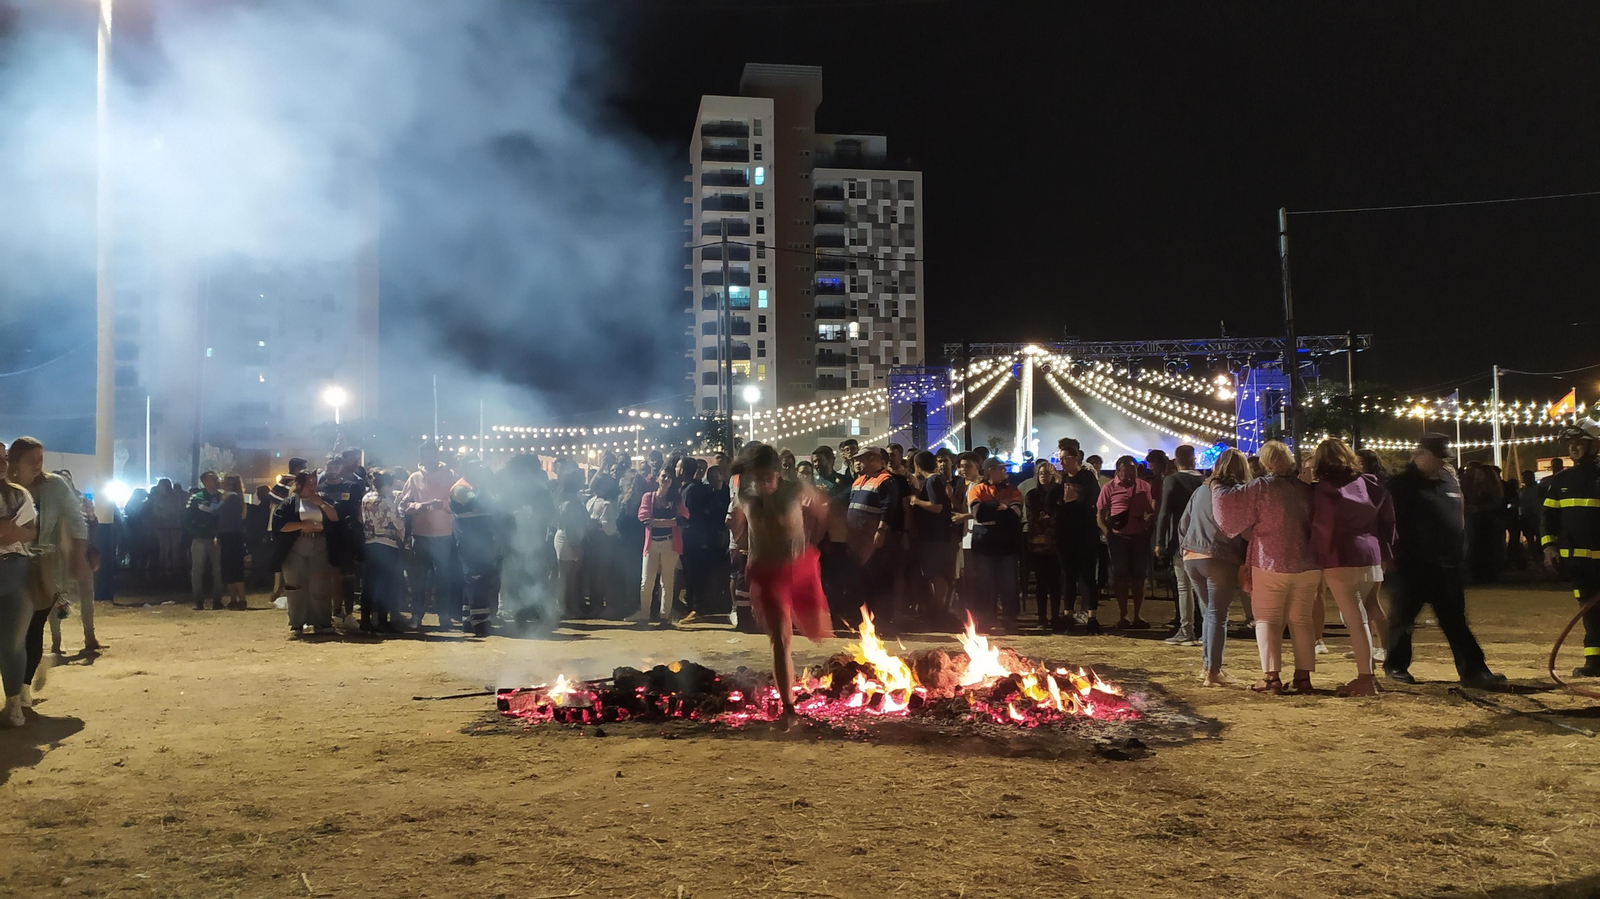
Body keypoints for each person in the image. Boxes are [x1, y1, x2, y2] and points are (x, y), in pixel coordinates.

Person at [1383, 435, 1506, 688]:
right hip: (1411, 564)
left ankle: (1474, 671)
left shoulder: (1446, 481)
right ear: (1421, 454)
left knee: (1455, 621)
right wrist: (1392, 557)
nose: (1441, 464)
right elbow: (1387, 522)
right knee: (1403, 620)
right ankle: (1396, 667)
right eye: (1437, 458)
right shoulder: (1399, 484)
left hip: (1446, 564)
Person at [728, 443, 832, 720]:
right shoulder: (744, 493)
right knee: (780, 639)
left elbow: (822, 508)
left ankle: (793, 696)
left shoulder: (794, 489)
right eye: (758, 478)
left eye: (768, 477)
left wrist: (810, 538)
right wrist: (738, 539)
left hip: (797, 567)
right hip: (765, 573)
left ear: (777, 473)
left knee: (819, 632)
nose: (764, 483)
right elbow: (737, 519)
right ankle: (788, 706)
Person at [1212, 440, 1319, 694]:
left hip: (1270, 561)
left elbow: (1228, 509)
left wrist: (1215, 484)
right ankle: (1303, 678)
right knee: (1302, 621)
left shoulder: (1261, 487)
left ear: (1265, 462)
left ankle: (1272, 679)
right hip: (1308, 563)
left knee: (1267, 620)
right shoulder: (1305, 489)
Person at [1310, 438, 1394, 696]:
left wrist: (1317, 555)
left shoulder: (1325, 489)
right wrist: (1386, 549)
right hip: (1371, 552)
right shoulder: (1370, 482)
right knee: (1365, 615)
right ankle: (1369, 673)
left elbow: (1323, 527)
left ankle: (1365, 677)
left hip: (1341, 556)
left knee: (1356, 620)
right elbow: (1388, 518)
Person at [9, 438, 94, 657]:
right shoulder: (6, 489)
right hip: (9, 565)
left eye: (40, 459)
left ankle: (24, 681)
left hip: (44, 564)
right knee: (16, 622)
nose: (37, 464)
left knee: (36, 621)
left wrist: (78, 553)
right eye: (31, 460)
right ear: (15, 461)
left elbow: (76, 520)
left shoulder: (55, 485)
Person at [1179, 448, 1249, 687]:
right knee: (1218, 615)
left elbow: (1183, 524)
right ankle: (1213, 671)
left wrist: (1185, 548)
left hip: (1192, 556)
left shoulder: (1200, 491)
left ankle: (1207, 666)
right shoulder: (1237, 493)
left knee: (1209, 612)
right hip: (1219, 556)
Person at [1540, 418, 1600, 677]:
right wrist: (1549, 548)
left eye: (1580, 443)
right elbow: (1548, 520)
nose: (1574, 448)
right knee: (1590, 613)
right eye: (1571, 444)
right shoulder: (1561, 481)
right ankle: (1594, 662)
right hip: (1578, 563)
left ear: (1595, 445)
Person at [269, 471, 340, 637]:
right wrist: (302, 525)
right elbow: (279, 525)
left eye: (314, 483)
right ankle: (297, 623)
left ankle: (322, 622)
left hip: (320, 544)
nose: (312, 487)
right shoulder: (290, 502)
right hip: (296, 545)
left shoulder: (323, 498)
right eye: (308, 483)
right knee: (295, 585)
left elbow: (335, 517)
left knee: (320, 585)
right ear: (299, 485)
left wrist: (321, 504)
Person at [399, 443, 458, 629]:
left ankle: (444, 616)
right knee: (419, 579)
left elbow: (458, 501)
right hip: (421, 535)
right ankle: (416, 616)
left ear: (438, 455)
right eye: (426, 455)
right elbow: (403, 505)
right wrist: (421, 506)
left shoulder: (450, 475)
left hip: (444, 535)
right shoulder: (414, 478)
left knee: (444, 578)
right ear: (422, 457)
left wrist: (443, 505)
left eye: (433, 455)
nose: (430, 458)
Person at [0, 447, 39, 726]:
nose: (2, 464)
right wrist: (10, 529)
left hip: (16, 569)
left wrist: (12, 531)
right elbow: (13, 531)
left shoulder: (18, 494)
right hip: (14, 563)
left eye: (3, 458)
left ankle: (14, 702)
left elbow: (30, 531)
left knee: (13, 641)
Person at [1096, 455, 1155, 629]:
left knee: (1139, 577)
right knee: (1120, 577)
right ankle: (1123, 615)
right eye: (1127, 469)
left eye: (1134, 469)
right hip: (1118, 538)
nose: (1130, 473)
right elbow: (1100, 514)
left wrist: (1148, 526)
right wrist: (1108, 533)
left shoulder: (1144, 486)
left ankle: (1138, 614)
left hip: (1139, 537)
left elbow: (1150, 510)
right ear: (1119, 470)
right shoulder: (1109, 487)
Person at [1155, 444, 1205, 646]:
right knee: (1202, 588)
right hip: (1203, 539)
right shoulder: (1204, 481)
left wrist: (1160, 541)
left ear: (1176, 461)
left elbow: (1165, 512)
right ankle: (1207, 630)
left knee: (1184, 587)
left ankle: (1187, 630)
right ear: (1194, 459)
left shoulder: (1172, 480)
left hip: (1181, 539)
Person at [967, 458, 1025, 632]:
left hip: (1006, 543)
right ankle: (986, 618)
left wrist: (990, 509)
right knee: (985, 583)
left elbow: (1016, 515)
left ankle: (1010, 618)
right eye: (1001, 468)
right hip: (984, 544)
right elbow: (978, 514)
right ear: (990, 470)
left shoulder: (1013, 490)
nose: (1005, 472)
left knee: (1009, 582)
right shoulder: (977, 489)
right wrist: (1000, 507)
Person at [846, 447, 900, 628]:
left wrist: (881, 531)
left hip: (873, 540)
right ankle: (865, 618)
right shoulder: (859, 480)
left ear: (872, 459)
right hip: (858, 540)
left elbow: (889, 507)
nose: (856, 463)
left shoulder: (885, 480)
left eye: (859, 460)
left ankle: (881, 619)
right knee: (862, 579)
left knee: (876, 578)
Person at [634, 466, 688, 625]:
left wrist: (658, 522)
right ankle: (645, 614)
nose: (666, 480)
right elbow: (644, 518)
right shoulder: (648, 497)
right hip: (652, 544)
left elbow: (685, 518)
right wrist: (671, 522)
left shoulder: (676, 500)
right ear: (657, 478)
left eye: (669, 478)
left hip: (670, 543)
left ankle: (665, 616)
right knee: (646, 581)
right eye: (663, 476)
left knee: (667, 581)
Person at [908, 450, 955, 622]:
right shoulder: (939, 479)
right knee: (936, 573)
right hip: (938, 535)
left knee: (935, 573)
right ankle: (938, 609)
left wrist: (917, 501)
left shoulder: (932, 480)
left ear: (918, 466)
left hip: (934, 536)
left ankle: (938, 610)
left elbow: (937, 507)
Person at [360, 468, 405, 633]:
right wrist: (399, 506)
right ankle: (382, 621)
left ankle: (365, 620)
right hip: (387, 545)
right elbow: (399, 523)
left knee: (369, 584)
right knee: (385, 585)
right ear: (390, 483)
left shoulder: (366, 498)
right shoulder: (388, 501)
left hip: (370, 544)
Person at [1023, 460, 1062, 629]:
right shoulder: (1032, 494)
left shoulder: (1060, 493)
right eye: (1041, 474)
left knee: (1056, 583)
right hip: (1038, 544)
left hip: (1057, 544)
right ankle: (1041, 618)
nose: (1043, 477)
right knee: (1041, 583)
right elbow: (1034, 517)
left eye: (1047, 473)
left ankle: (1055, 617)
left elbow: (1059, 514)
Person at [182, 471, 224, 610]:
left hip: (216, 539)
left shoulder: (222, 497)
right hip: (200, 539)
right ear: (205, 481)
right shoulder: (196, 498)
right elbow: (187, 520)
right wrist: (197, 533)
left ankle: (217, 601)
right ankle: (198, 601)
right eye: (214, 479)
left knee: (218, 570)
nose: (217, 481)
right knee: (197, 571)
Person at [551, 469, 588, 618]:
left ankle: (568, 607)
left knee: (568, 577)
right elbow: (570, 526)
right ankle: (565, 608)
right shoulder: (569, 502)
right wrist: (576, 546)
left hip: (568, 537)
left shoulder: (566, 499)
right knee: (567, 577)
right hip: (568, 539)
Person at [217, 474, 249, 610]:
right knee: (236, 567)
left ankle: (236, 599)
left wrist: (205, 507)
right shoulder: (237, 497)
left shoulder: (230, 497)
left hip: (228, 535)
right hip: (234, 535)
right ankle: (240, 599)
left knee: (229, 567)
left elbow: (216, 510)